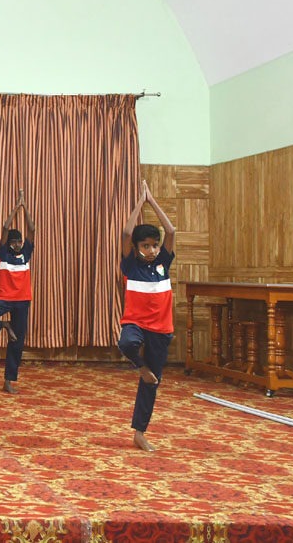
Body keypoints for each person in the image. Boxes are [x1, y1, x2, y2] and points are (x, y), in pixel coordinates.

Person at [118, 180, 175, 452]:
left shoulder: (163, 263)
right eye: (145, 246)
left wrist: (153, 201)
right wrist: (142, 201)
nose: (151, 250)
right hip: (136, 324)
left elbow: (171, 230)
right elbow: (126, 232)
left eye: (154, 246)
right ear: (137, 247)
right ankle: (140, 367)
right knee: (126, 343)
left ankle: (139, 433)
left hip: (161, 329)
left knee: (151, 384)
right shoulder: (131, 265)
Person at [0, 189, 36, 394]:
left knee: (17, 343)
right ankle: (4, 325)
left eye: (19, 241)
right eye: (14, 242)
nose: (17, 245)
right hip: (4, 299)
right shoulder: (3, 254)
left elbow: (32, 229)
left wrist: (25, 207)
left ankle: (8, 380)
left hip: (22, 301)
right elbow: (4, 227)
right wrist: (15, 208)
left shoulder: (26, 254)